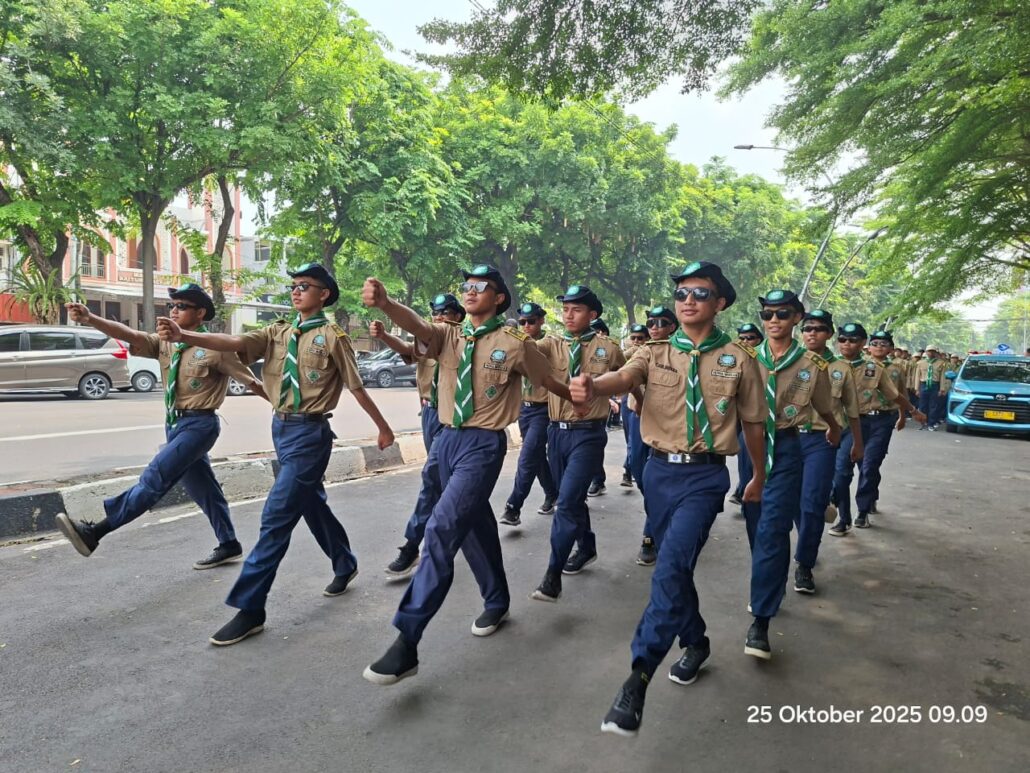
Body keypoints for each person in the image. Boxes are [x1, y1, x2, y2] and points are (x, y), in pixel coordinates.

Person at [568, 261, 766, 737]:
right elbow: (621, 378)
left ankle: (638, 676)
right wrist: (592, 384)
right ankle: (695, 641)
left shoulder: (740, 360)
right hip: (657, 474)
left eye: (700, 293)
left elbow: (755, 424)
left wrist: (757, 475)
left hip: (705, 478)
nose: (688, 300)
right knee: (676, 568)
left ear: (719, 304)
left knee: (671, 566)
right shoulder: (651, 353)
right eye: (682, 293)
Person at [156, 262, 395, 646]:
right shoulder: (277, 332)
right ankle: (345, 561)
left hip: (310, 434)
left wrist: (383, 427)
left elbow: (356, 386)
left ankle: (251, 608)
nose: (296, 291)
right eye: (294, 285)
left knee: (276, 515)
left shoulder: (332, 336)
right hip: (281, 427)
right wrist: (186, 334)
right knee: (311, 502)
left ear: (324, 295)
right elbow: (234, 345)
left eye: (306, 286)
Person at [360, 265, 570, 684]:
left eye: (481, 287)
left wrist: (579, 398)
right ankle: (497, 599)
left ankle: (407, 639)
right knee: (472, 522)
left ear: (498, 299)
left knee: (441, 528)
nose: (471, 292)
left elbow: (546, 379)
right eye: (467, 287)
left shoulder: (515, 343)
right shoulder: (448, 335)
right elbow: (417, 325)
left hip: (481, 445)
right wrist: (385, 304)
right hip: (445, 439)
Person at [56, 285, 263, 569]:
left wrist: (288, 407)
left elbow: (252, 382)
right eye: (172, 306)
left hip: (200, 426)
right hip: (175, 424)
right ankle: (229, 544)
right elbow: (130, 335)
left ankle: (96, 532)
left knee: (155, 478)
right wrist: (91, 318)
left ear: (200, 313)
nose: (174, 311)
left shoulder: (216, 349)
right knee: (206, 490)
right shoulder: (166, 343)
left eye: (181, 306)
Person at [743, 290, 841, 662]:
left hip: (785, 448)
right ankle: (765, 580)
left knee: (773, 527)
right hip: (751, 444)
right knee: (756, 526)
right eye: (767, 313)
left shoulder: (810, 364)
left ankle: (761, 620)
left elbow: (820, 402)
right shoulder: (745, 358)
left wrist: (832, 425)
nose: (773, 320)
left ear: (796, 318)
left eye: (782, 313)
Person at [529, 285, 627, 601]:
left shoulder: (609, 349)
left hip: (589, 433)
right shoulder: (551, 344)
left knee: (567, 502)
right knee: (570, 498)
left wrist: (634, 402)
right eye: (566, 309)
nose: (569, 315)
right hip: (556, 432)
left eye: (577, 309)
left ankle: (552, 575)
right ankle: (586, 545)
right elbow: (525, 349)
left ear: (592, 314)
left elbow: (629, 378)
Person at [369, 293, 466, 578]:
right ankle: (464, 532)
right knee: (446, 481)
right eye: (435, 312)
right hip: (429, 413)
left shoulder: (461, 339)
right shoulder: (429, 339)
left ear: (458, 316)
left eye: (446, 311)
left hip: (452, 416)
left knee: (432, 478)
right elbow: (408, 353)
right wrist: (385, 336)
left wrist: (386, 303)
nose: (439, 316)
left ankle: (413, 545)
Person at [829, 326, 925, 535]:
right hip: (845, 425)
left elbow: (896, 394)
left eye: (853, 340)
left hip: (878, 422)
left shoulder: (878, 369)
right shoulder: (831, 365)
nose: (847, 344)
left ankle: (863, 510)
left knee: (869, 466)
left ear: (861, 343)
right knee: (841, 471)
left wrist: (910, 411)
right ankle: (843, 517)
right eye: (843, 339)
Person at [796, 309, 863, 593]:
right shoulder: (788, 362)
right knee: (789, 503)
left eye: (819, 329)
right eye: (808, 328)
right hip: (788, 438)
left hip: (821, 441)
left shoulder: (841, 369)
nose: (812, 333)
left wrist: (858, 443)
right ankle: (804, 540)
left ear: (829, 335)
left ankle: (804, 565)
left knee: (813, 503)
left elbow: (852, 410)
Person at [500, 302, 559, 527]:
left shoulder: (548, 342)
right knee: (535, 456)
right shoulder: (518, 343)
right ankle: (553, 493)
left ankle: (513, 507)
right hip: (525, 409)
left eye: (531, 322)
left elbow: (532, 348)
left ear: (541, 321)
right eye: (522, 322)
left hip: (543, 410)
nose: (526, 326)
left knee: (527, 456)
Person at [729, 323, 764, 507]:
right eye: (741, 338)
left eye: (749, 338)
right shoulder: (733, 358)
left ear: (758, 339)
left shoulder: (762, 359)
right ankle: (743, 488)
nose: (745, 342)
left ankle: (744, 491)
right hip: (735, 417)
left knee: (751, 455)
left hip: (756, 419)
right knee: (743, 458)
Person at [621, 324, 648, 489]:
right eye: (633, 338)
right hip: (632, 405)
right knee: (632, 443)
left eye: (640, 338)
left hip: (652, 410)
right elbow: (617, 365)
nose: (637, 341)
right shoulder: (630, 353)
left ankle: (630, 470)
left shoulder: (653, 353)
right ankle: (631, 470)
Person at [915, 345, 947, 429]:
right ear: (926, 352)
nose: (931, 353)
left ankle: (931, 424)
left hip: (935, 385)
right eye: (929, 351)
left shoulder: (941, 363)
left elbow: (942, 377)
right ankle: (922, 423)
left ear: (936, 353)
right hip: (924, 384)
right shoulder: (920, 363)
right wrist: (917, 389)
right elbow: (917, 376)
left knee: (934, 405)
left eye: (933, 351)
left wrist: (942, 388)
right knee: (922, 405)